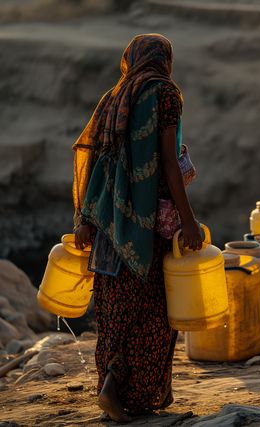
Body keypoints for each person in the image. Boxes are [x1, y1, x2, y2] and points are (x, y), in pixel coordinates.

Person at [72, 34, 203, 422]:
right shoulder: (164, 94)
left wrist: (83, 219)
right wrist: (189, 220)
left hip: (106, 218)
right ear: (164, 59)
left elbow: (95, 157)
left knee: (115, 310)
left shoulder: (116, 96)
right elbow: (165, 161)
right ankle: (125, 391)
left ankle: (113, 389)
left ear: (130, 59)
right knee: (151, 312)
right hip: (144, 225)